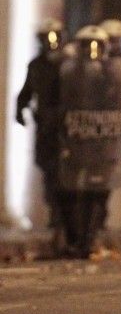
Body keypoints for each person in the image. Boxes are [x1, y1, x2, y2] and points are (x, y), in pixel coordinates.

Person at [57, 25, 121, 258]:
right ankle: (76, 238)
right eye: (88, 45)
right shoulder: (68, 72)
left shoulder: (115, 73)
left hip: (103, 140)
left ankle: (88, 238)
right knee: (72, 191)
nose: (92, 51)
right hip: (77, 139)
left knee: (98, 191)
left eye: (97, 45)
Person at [15, 18, 67, 230]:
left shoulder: (69, 64)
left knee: (65, 172)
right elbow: (27, 92)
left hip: (66, 126)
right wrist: (19, 110)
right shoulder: (36, 65)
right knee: (48, 169)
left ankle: (63, 216)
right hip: (45, 125)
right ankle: (54, 212)